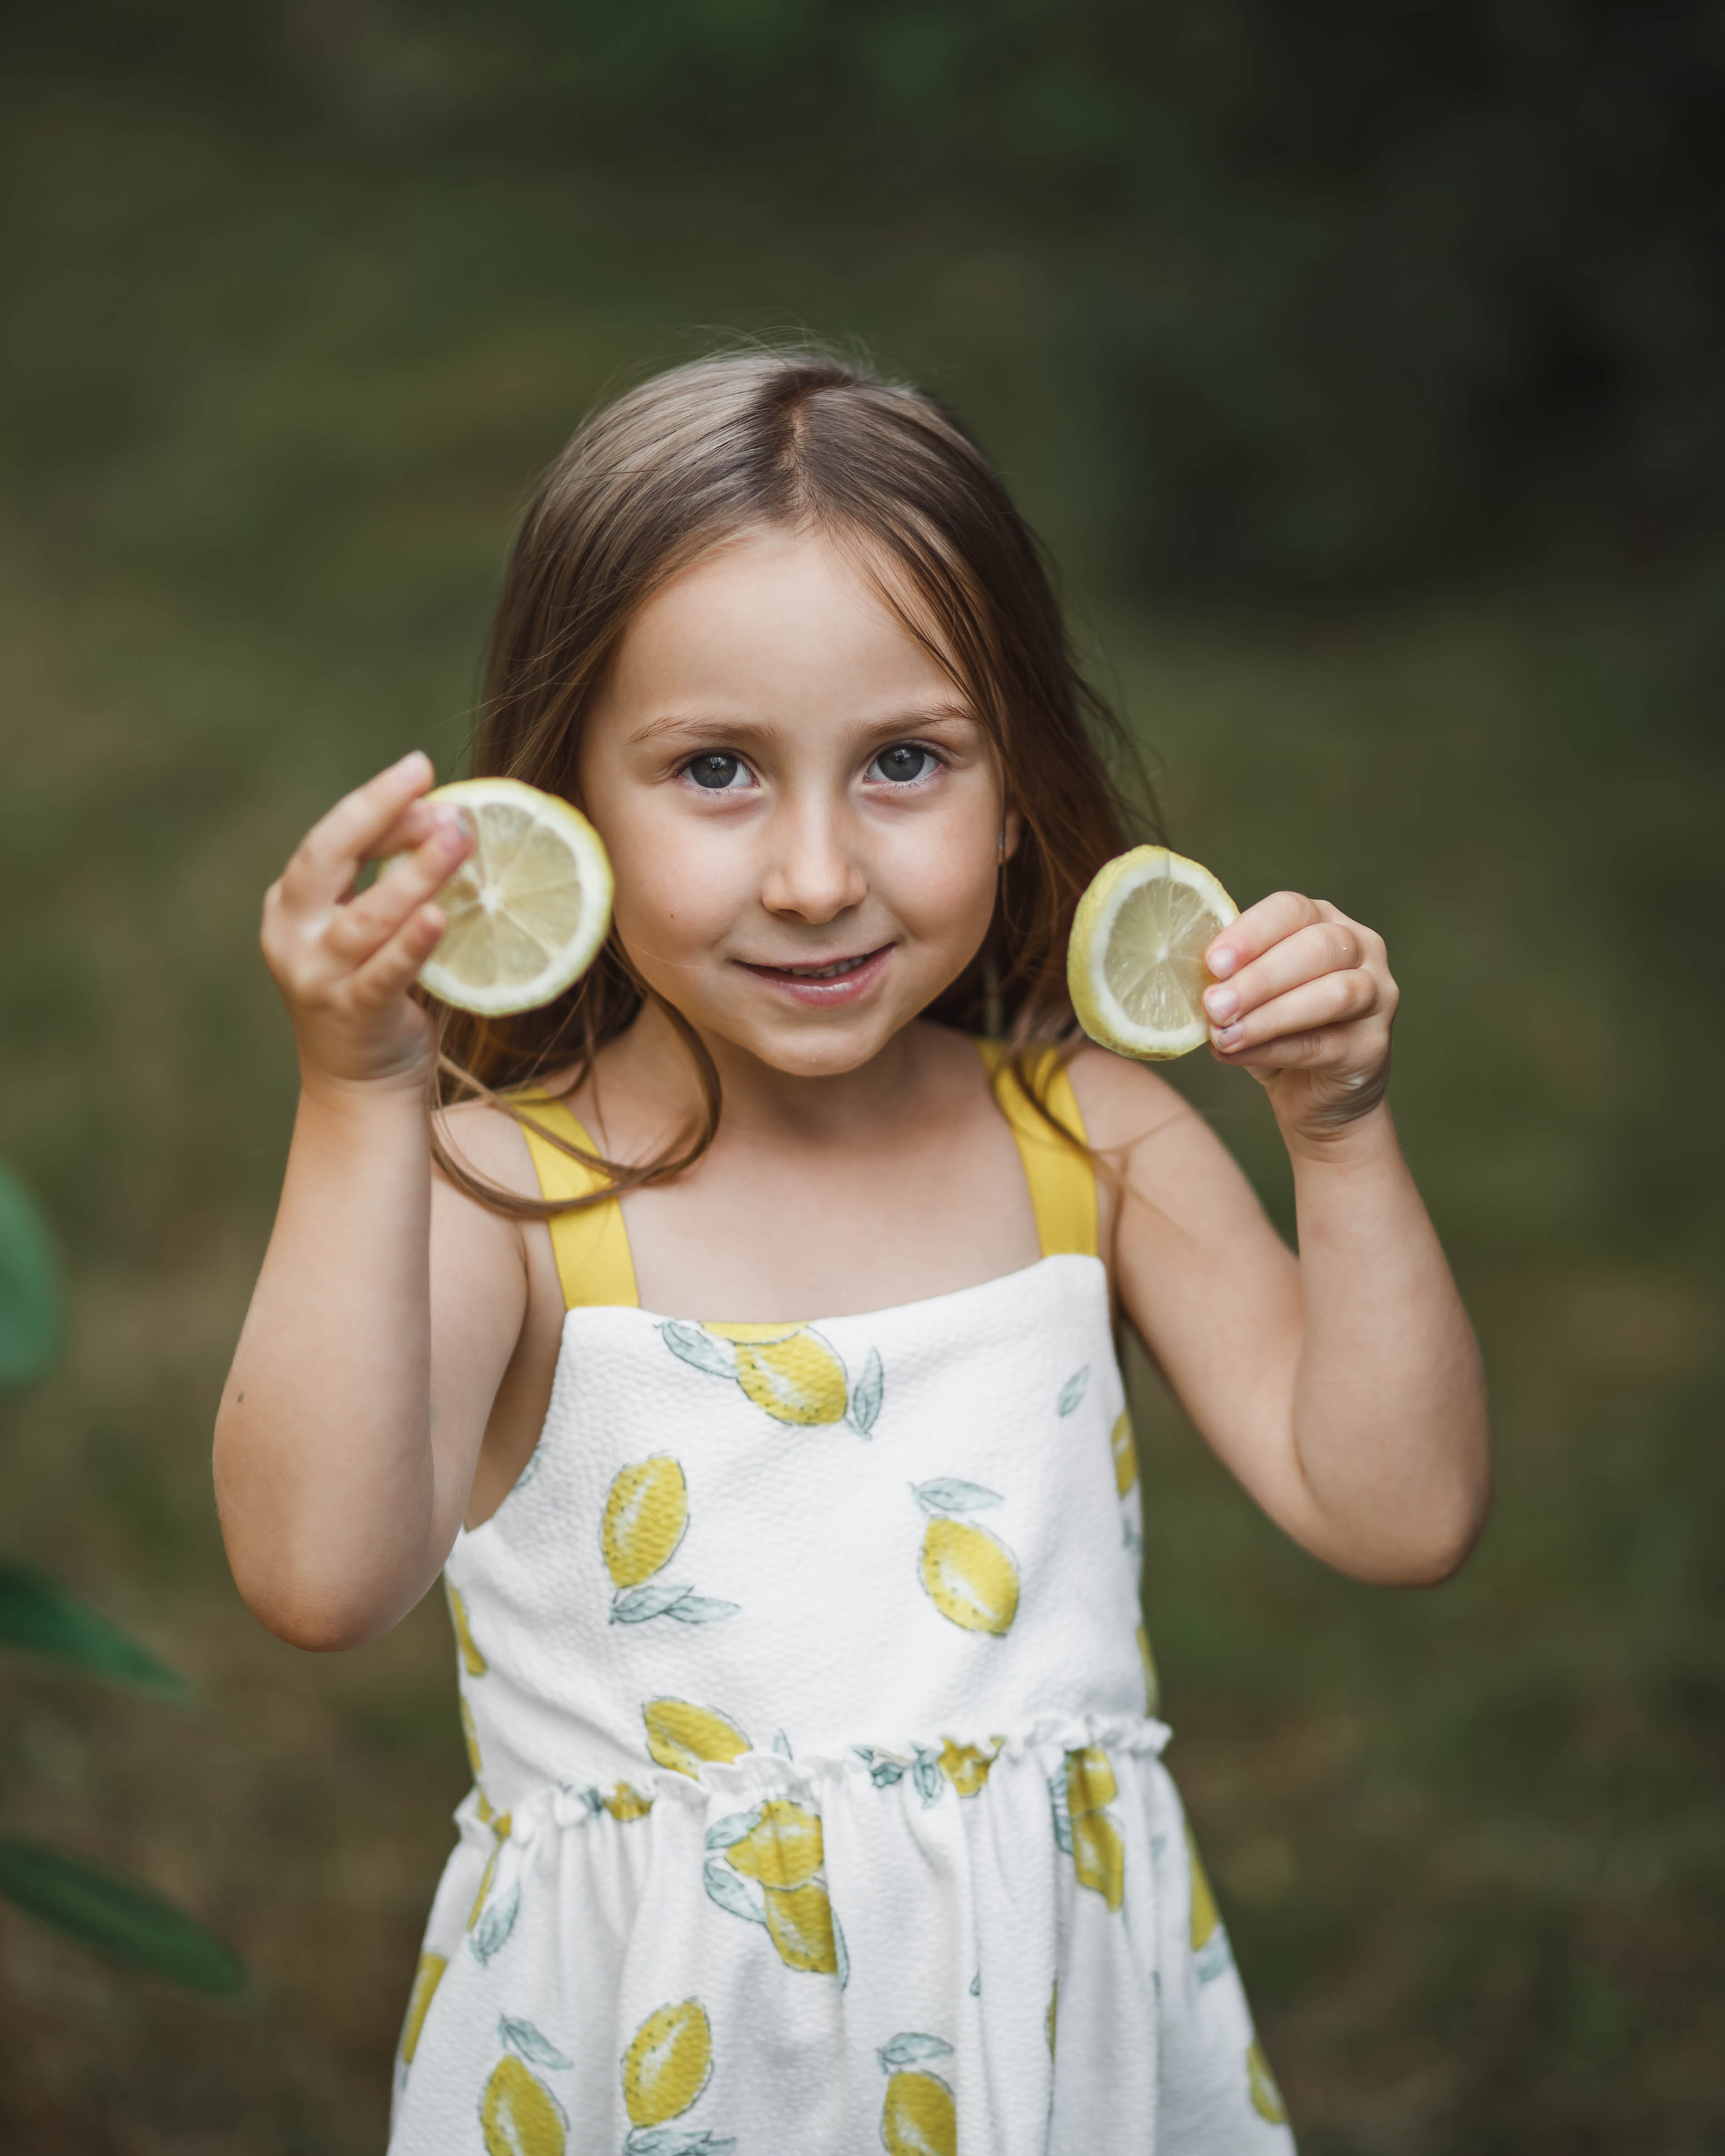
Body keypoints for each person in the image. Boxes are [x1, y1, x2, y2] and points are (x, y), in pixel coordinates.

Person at [214, 348, 1490, 2155]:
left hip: (1050, 2041)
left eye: (904, 762)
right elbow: (318, 1575)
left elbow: (1401, 1508)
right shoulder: (507, 1195)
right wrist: (359, 1100)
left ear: (1018, 774)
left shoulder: (1090, 1139)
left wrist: (1338, 1133)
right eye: (717, 770)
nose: (818, 874)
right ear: (561, 794)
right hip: (658, 2058)